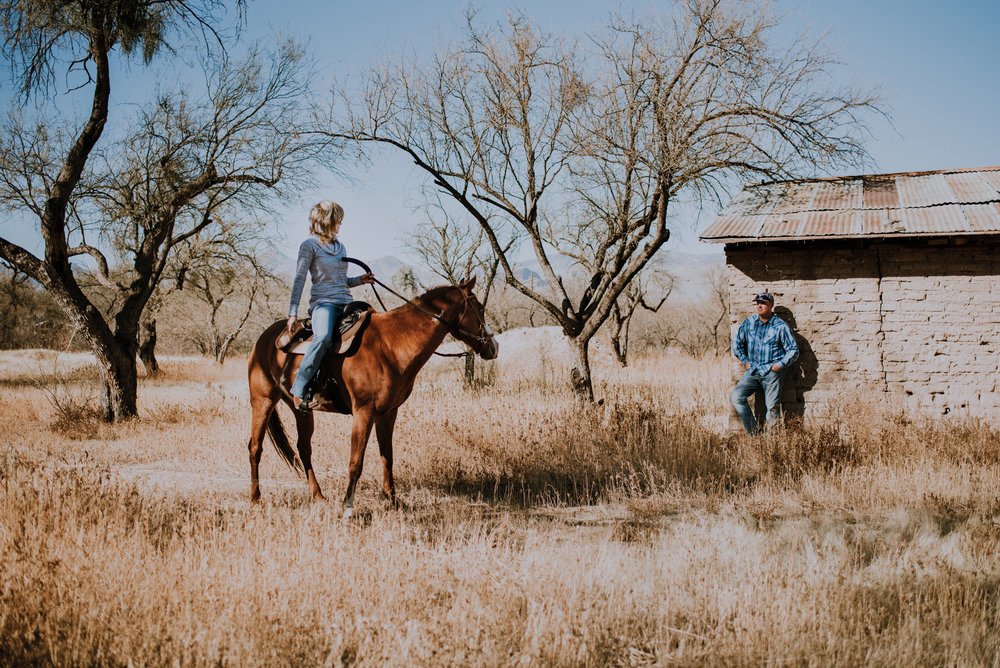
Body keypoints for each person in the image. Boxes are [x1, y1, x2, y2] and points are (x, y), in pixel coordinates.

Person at [287, 200, 374, 412]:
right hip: (323, 304)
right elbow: (300, 279)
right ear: (328, 220)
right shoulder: (309, 246)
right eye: (338, 218)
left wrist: (360, 280)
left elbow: (339, 280)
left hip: (346, 301)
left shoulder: (340, 246)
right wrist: (292, 313)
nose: (341, 222)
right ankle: (298, 391)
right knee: (323, 337)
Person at [730, 292, 799, 435]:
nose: (759, 306)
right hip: (753, 370)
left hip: (772, 372)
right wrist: (745, 361)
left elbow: (793, 350)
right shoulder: (749, 323)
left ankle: (770, 443)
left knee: (772, 407)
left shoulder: (780, 326)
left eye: (763, 303)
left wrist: (779, 365)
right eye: (757, 303)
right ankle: (754, 435)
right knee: (736, 397)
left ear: (771, 306)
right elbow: (736, 344)